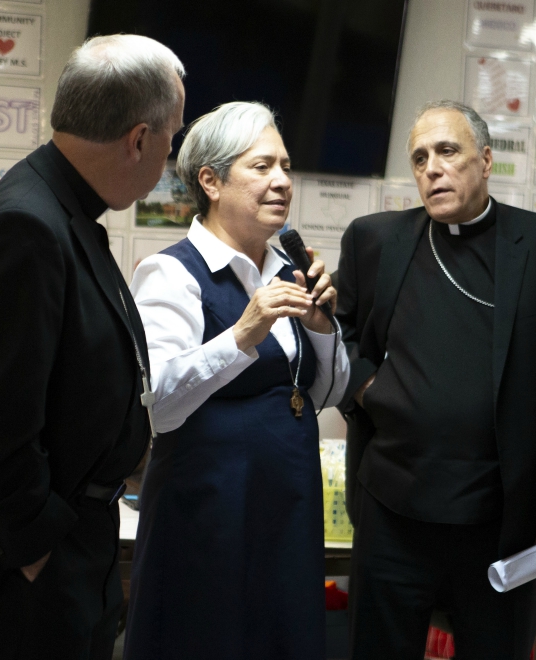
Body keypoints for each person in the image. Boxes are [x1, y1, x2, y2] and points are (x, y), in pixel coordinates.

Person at [0, 35, 185, 659]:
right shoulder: (27, 225)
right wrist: (37, 551)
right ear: (138, 139)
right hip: (26, 575)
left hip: (71, 546)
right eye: (171, 137)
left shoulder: (64, 211)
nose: (168, 154)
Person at [337, 100, 536, 659]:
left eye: (447, 151)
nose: (432, 168)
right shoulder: (374, 240)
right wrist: (367, 387)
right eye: (419, 158)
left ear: (484, 160)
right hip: (393, 510)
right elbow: (339, 338)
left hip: (503, 520)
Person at [123, 101, 350, 659]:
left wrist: (322, 329)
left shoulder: (288, 268)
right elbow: (158, 403)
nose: (282, 182)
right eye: (262, 167)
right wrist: (243, 332)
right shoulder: (171, 273)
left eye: (287, 167)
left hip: (288, 509)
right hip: (208, 516)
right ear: (211, 180)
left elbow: (324, 394)